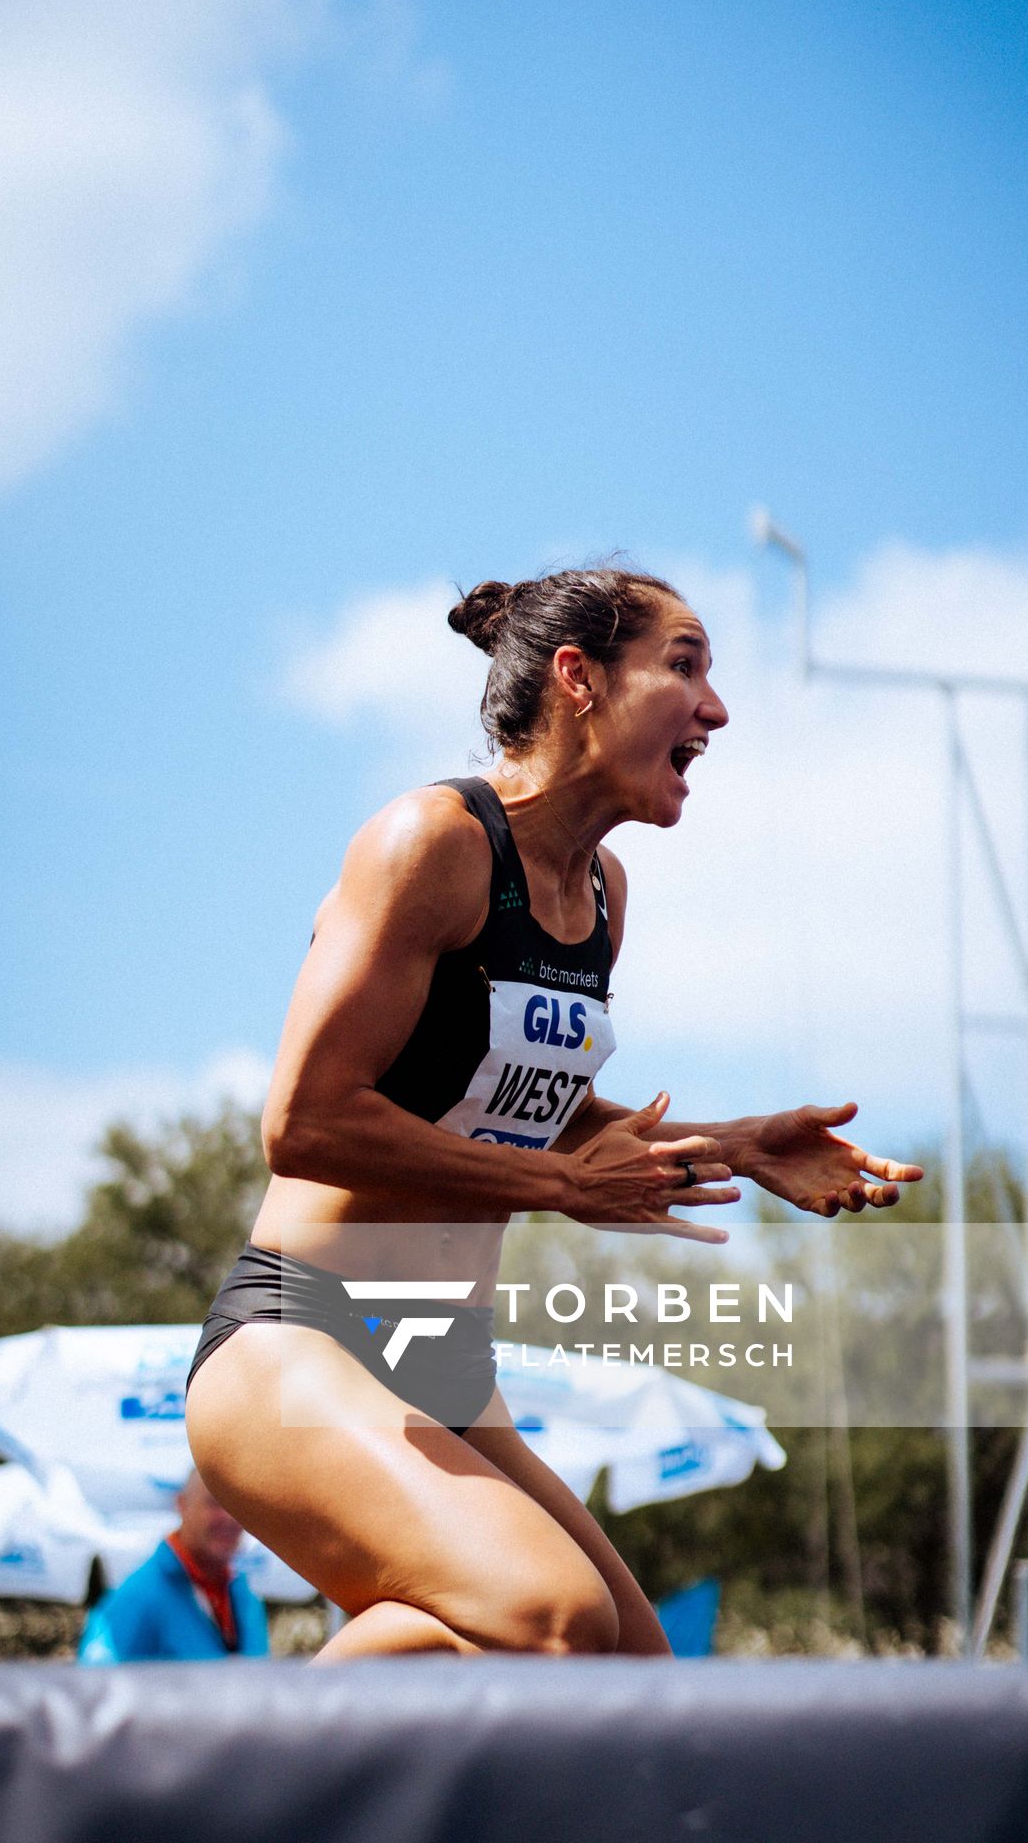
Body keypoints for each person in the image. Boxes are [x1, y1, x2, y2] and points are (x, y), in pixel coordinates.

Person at [185, 564, 922, 1659]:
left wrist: (732, 1144)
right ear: (576, 678)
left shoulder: (602, 897)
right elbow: (305, 1124)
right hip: (304, 1335)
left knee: (629, 1670)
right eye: (684, 667)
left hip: (439, 1355)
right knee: (547, 1616)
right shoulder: (430, 842)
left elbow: (522, 1107)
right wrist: (559, 1190)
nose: (715, 709)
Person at [78, 1468, 268, 1663]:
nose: (229, 1518)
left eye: (240, 1505)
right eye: (215, 1503)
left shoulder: (246, 1595)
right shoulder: (138, 1596)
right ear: (182, 1505)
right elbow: (93, 1685)